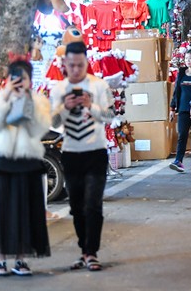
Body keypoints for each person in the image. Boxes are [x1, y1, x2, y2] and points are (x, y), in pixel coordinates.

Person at [0, 60, 51, 276]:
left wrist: (27, 100)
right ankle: (0, 259)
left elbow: (40, 129)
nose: (19, 82)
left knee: (26, 211)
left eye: (24, 78)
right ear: (8, 78)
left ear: (30, 80)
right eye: (15, 78)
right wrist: (7, 96)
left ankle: (21, 259)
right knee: (1, 211)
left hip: (28, 161)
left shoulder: (38, 101)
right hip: (3, 162)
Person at [50, 42, 115, 272]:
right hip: (71, 154)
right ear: (65, 64)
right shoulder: (58, 90)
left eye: (80, 65)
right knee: (76, 206)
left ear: (86, 63)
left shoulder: (99, 86)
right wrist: (65, 108)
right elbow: (53, 123)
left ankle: (91, 252)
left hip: (96, 152)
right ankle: (83, 250)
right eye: (72, 65)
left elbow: (110, 115)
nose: (76, 70)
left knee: (93, 204)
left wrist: (92, 106)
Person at [169, 49, 191, 173]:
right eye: (186, 58)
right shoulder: (181, 73)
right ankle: (178, 160)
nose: (188, 61)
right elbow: (176, 91)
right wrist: (172, 108)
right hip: (183, 109)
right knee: (182, 135)